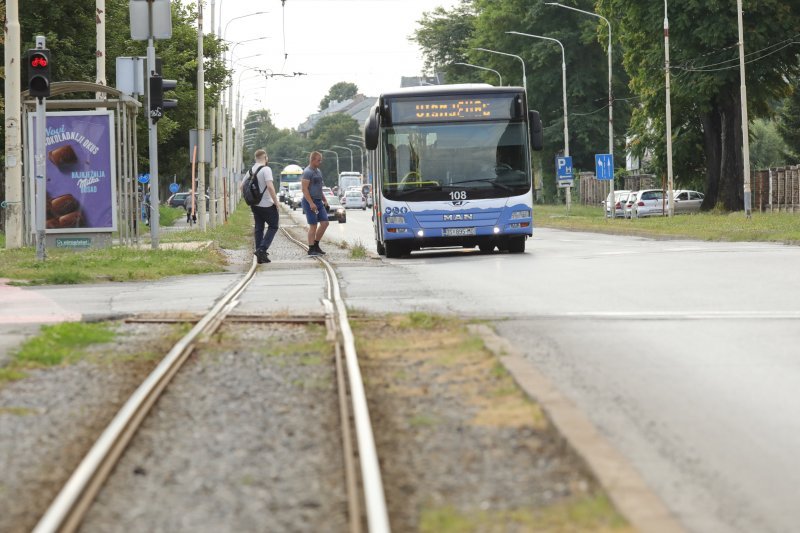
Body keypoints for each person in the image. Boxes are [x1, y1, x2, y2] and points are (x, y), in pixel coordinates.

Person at [243, 149, 279, 264]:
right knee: (273, 226)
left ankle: (260, 256)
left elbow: (242, 186)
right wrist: (276, 202)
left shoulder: (250, 171)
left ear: (255, 158)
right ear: (265, 158)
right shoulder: (266, 169)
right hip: (267, 204)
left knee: (259, 228)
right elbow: (270, 186)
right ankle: (262, 249)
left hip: (255, 204)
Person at [301, 151, 330, 256]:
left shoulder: (318, 171)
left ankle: (316, 244)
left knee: (325, 223)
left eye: (320, 160)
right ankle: (311, 248)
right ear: (312, 160)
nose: (320, 162)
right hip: (309, 201)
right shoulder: (307, 172)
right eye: (318, 160)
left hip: (318, 201)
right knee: (313, 225)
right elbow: (304, 189)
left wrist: (325, 200)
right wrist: (311, 203)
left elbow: (319, 188)